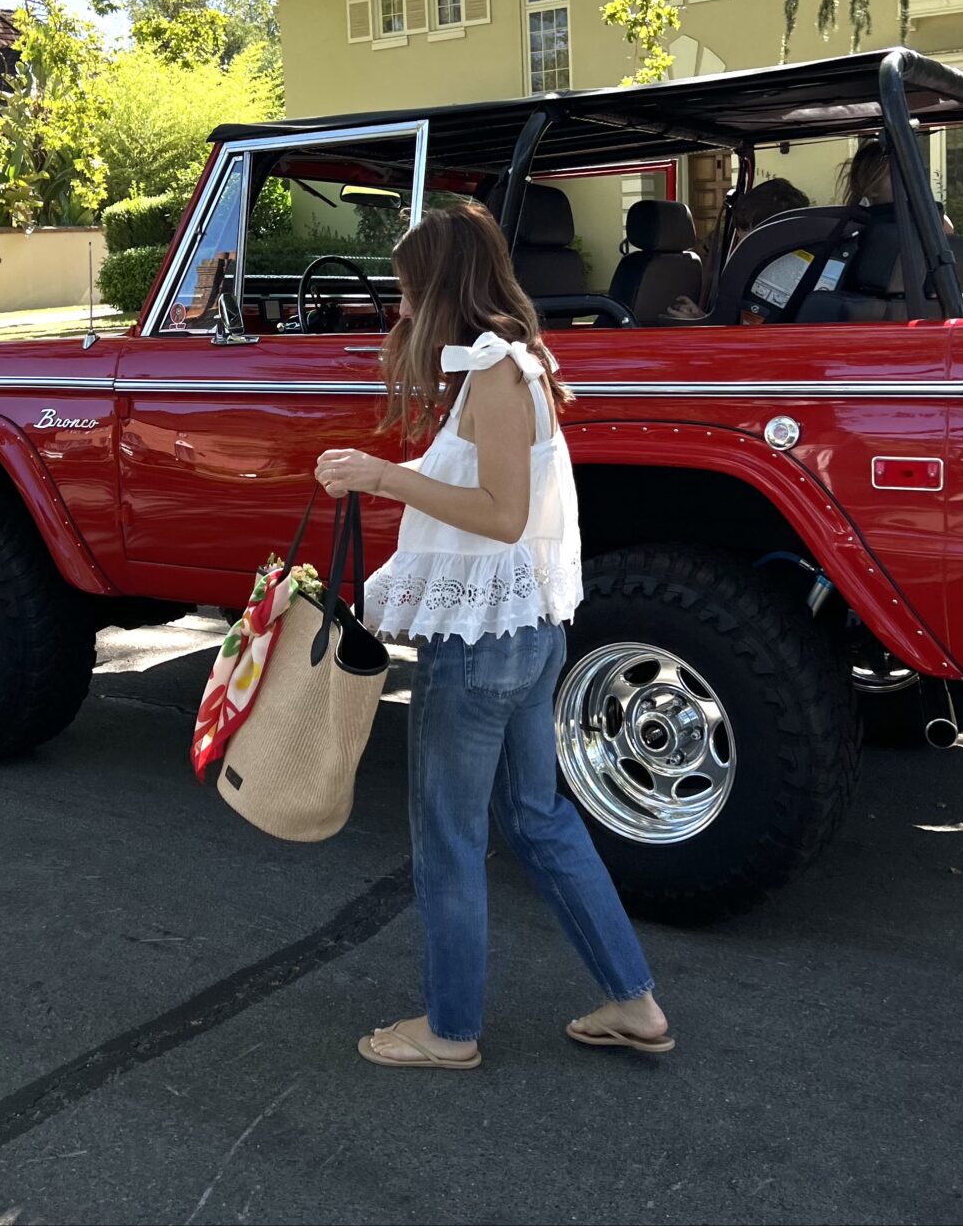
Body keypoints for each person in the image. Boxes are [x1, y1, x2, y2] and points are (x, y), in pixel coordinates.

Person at [315, 204, 670, 1071]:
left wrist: (379, 475)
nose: (399, 312)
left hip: (483, 648)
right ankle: (633, 1004)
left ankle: (450, 1030)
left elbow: (503, 517)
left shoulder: (499, 374)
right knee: (537, 818)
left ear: (440, 288)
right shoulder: (508, 366)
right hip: (524, 631)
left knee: (449, 835)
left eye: (405, 294)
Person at [666, 176, 811, 320]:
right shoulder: (752, 270)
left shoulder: (795, 277)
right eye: (739, 231)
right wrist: (701, 319)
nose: (740, 241)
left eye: (748, 233)